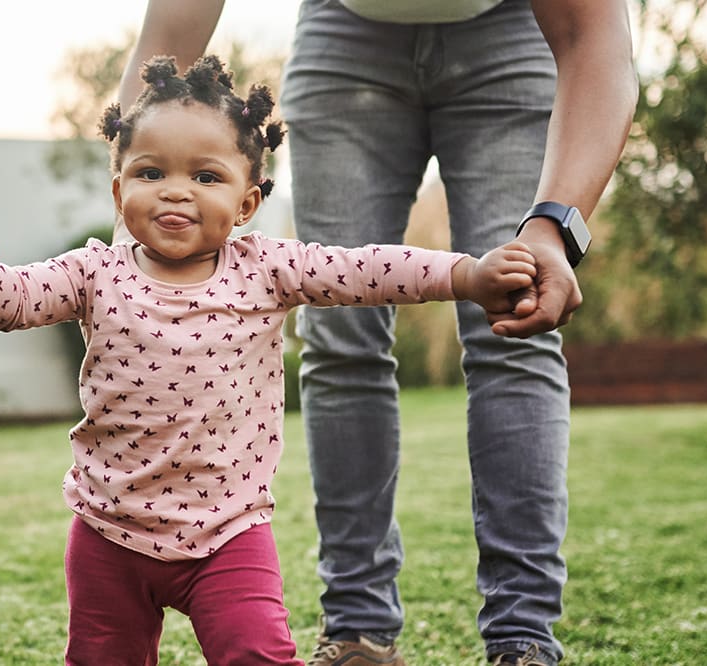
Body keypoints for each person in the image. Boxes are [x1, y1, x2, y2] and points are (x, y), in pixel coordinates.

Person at [0, 55, 540, 666]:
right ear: (119, 192)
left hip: (228, 535)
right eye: (150, 172)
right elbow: (16, 302)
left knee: (256, 655)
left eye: (205, 177)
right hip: (107, 532)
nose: (175, 189)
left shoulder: (267, 269)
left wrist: (467, 274)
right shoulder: (94, 271)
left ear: (247, 203)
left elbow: (370, 269)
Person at [114, 2, 637, 665]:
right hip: (345, 36)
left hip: (512, 31)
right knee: (340, 334)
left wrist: (555, 226)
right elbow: (169, 37)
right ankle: (358, 630)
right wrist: (121, 259)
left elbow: (595, 35)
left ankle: (522, 638)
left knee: (516, 317)